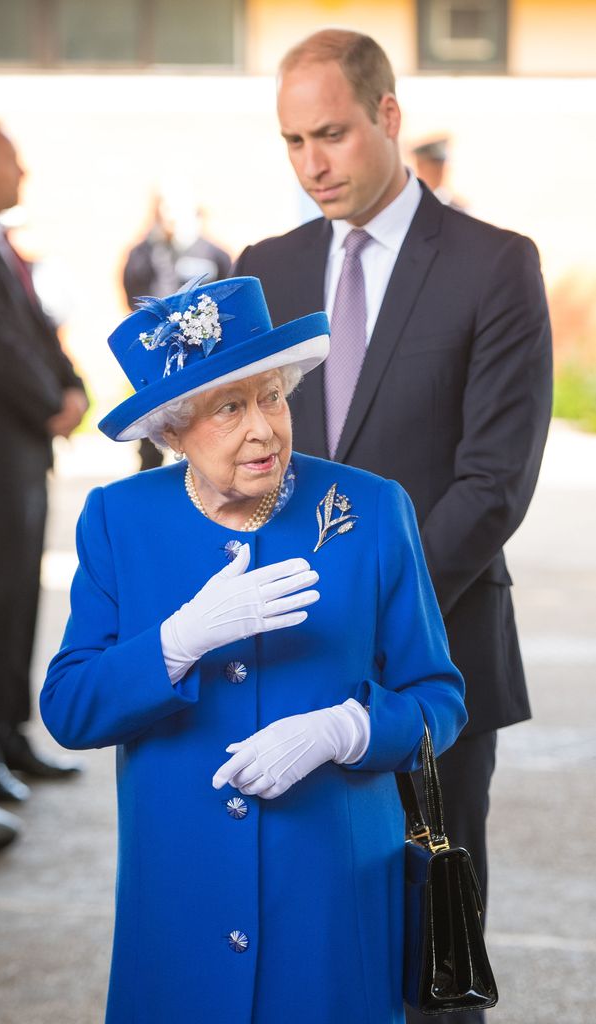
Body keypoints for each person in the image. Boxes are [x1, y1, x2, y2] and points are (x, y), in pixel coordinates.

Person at [232, 29, 553, 1023]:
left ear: (388, 116)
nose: (311, 164)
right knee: (303, 940)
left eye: (329, 133)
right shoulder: (264, 270)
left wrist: (367, 617)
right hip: (282, 660)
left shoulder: (494, 265)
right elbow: (236, 461)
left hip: (435, 659)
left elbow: (492, 484)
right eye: (291, 141)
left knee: (429, 956)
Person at [40, 275, 467, 1022]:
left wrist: (347, 730)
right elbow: (71, 710)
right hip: (180, 899)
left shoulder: (369, 509)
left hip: (334, 902)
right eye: (228, 408)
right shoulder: (119, 519)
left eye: (271, 396)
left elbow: (439, 702)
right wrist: (175, 642)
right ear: (172, 429)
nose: (263, 428)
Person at [0, 122, 88, 803]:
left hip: (21, 451)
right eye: (12, 162)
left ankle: (10, 735)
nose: (22, 174)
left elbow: (38, 330)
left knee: (23, 597)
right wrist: (48, 404)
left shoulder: (1, 247)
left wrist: (74, 388)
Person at [123, 189, 231, 470]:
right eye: (166, 209)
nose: (171, 216)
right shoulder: (144, 253)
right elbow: (131, 297)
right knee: (153, 429)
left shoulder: (213, 253)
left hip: (204, 357)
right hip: (158, 355)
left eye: (178, 208)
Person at [410, 136, 468, 211]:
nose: (438, 172)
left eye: (441, 165)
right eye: (433, 166)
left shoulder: (459, 208)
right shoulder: (412, 204)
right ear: (420, 166)